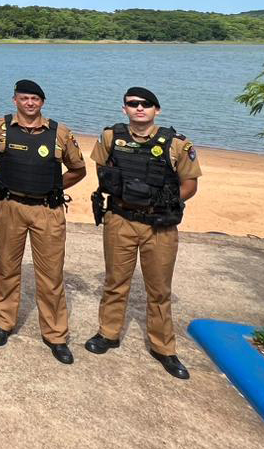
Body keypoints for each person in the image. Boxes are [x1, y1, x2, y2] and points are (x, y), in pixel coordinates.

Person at [84, 87, 200, 380]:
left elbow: (189, 185)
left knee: (159, 289)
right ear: (124, 108)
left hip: (159, 225)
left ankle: (163, 348)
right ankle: (108, 333)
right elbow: (102, 169)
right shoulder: (110, 137)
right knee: (115, 281)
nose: (139, 108)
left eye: (146, 104)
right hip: (120, 220)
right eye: (132, 104)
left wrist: (163, 201)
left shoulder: (177, 144)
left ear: (156, 110)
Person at [0, 79, 86, 365]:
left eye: (35, 99)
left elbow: (78, 169)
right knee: (7, 268)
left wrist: (54, 186)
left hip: (47, 210)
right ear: (15, 100)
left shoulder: (60, 133)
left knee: (51, 275)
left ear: (42, 102)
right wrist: (8, 178)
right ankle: (3, 322)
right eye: (24, 98)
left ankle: (55, 335)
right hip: (10, 207)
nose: (29, 103)